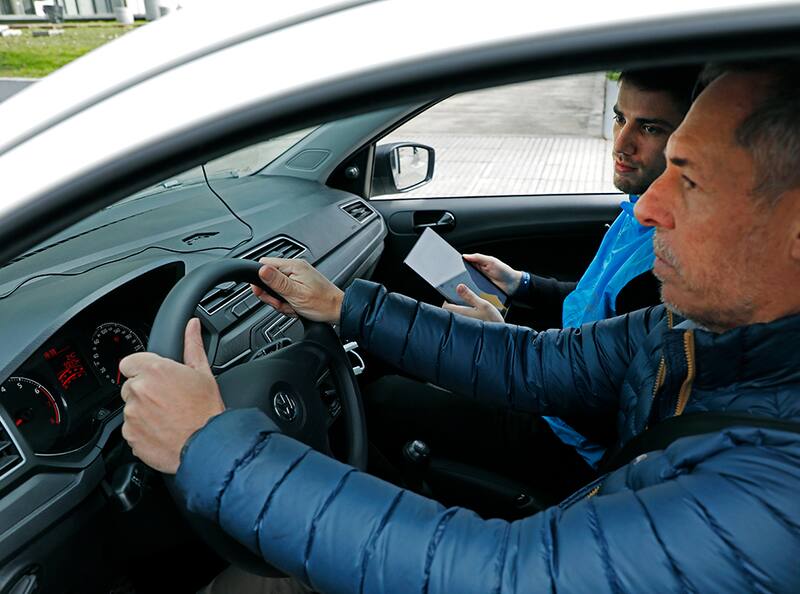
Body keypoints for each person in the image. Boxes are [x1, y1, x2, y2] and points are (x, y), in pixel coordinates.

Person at [120, 62, 800, 593]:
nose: (646, 206)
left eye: (688, 180)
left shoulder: (776, 503)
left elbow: (505, 576)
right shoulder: (697, 331)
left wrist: (212, 448)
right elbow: (536, 365)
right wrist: (346, 306)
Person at [367, 67, 699, 485]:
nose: (621, 143)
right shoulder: (639, 210)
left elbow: (615, 410)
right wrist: (519, 282)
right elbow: (589, 305)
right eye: (619, 118)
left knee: (383, 397)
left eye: (649, 128)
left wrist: (500, 338)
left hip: (568, 437)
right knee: (392, 355)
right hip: (554, 377)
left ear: (694, 139)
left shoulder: (665, 268)